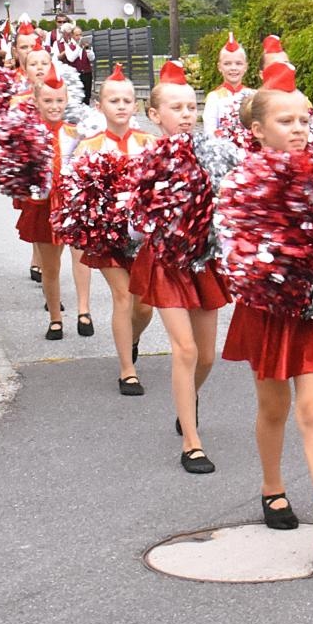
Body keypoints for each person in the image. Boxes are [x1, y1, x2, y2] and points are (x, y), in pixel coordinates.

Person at [220, 62, 313, 578]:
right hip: (268, 308)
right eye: (285, 121)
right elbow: (230, 249)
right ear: (257, 130)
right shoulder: (239, 182)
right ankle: (272, 485)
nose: (299, 128)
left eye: (303, 119)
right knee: (273, 406)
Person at [129, 61, 228, 471]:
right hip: (166, 261)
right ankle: (192, 442)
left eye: (191, 107)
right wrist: (157, 221)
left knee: (206, 356)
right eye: (177, 108)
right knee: (185, 349)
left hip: (203, 261)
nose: (187, 114)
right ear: (154, 114)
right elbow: (135, 222)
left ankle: (188, 397)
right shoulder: (147, 157)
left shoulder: (213, 153)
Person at [69, 65, 157, 386]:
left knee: (144, 308)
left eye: (126, 101)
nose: (121, 106)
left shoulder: (150, 143)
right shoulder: (89, 146)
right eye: (113, 100)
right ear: (99, 106)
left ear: (136, 105)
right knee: (122, 295)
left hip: (143, 238)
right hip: (107, 238)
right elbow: (77, 192)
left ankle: (131, 340)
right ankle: (127, 370)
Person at [15, 65, 78, 340]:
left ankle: (84, 310)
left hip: (71, 207)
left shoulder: (76, 134)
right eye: (48, 101)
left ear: (67, 101)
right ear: (37, 102)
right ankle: (55, 317)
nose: (54, 106)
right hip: (43, 207)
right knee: (51, 266)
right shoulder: (29, 134)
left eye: (60, 100)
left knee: (77, 258)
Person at [201, 33, 252, 137]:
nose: (233, 68)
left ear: (246, 67)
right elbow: (209, 131)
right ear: (219, 67)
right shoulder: (214, 98)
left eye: (238, 63)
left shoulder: (252, 95)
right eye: (227, 64)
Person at [57, 24, 95, 101]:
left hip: (87, 73)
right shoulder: (69, 46)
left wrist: (87, 49)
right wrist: (79, 47)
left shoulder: (86, 45)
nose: (79, 37)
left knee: (87, 97)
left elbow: (92, 58)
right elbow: (71, 59)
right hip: (75, 75)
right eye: (77, 35)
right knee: (77, 98)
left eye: (80, 34)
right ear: (72, 36)